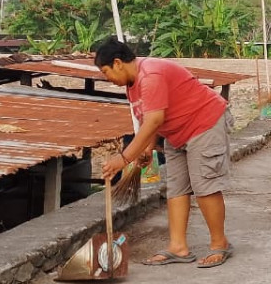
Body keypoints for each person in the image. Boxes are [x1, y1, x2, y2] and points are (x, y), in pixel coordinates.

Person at [96, 37, 235, 268]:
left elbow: (153, 121)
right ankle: (178, 247)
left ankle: (220, 244)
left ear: (118, 63)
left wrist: (123, 159)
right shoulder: (132, 84)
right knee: (176, 187)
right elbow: (148, 119)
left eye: (106, 72)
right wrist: (148, 148)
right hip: (176, 132)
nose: (107, 79)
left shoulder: (150, 76)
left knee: (204, 185)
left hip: (204, 123)